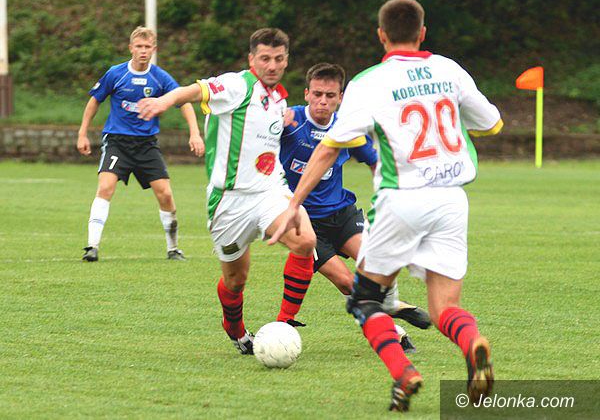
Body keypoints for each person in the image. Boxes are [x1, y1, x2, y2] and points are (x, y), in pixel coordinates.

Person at [269, 0, 503, 412]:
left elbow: (329, 148)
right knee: (445, 307)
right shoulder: (449, 69)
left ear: (381, 35)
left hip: (402, 198)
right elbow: (491, 123)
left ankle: (404, 373)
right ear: (423, 32)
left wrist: (292, 205)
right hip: (452, 200)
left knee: (365, 300)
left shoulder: (370, 82)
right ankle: (472, 342)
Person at [137, 28, 317, 354]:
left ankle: (284, 323)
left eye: (278, 59)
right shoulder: (237, 85)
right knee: (236, 280)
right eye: (265, 58)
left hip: (269, 192)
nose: (272, 65)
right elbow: (195, 90)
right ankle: (234, 328)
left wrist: (288, 120)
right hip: (228, 201)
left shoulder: (278, 98)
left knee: (305, 240)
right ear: (252, 59)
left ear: (286, 60)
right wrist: (164, 100)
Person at [279, 63, 432, 353]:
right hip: (306, 224)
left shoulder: (346, 127)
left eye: (330, 96)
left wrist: (391, 193)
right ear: (307, 93)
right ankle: (395, 332)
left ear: (340, 98)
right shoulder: (289, 121)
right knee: (348, 283)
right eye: (317, 94)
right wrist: (274, 119)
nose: (322, 101)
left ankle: (391, 305)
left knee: (375, 266)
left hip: (342, 214)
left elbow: (375, 162)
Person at [77, 26, 204, 262]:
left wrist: (194, 133)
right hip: (117, 142)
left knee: (165, 194)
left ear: (153, 49)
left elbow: (184, 101)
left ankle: (173, 249)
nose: (143, 51)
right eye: (139, 46)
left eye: (147, 47)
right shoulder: (116, 74)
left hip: (146, 145)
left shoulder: (159, 77)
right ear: (131, 48)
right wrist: (82, 133)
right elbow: (94, 101)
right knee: (105, 188)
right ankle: (92, 247)